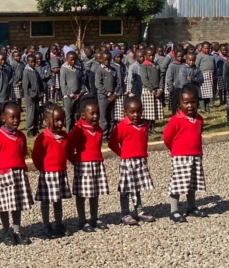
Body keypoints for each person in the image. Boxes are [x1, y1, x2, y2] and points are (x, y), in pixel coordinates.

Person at [0, 103, 33, 245]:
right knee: (5, 205)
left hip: (18, 173)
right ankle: (7, 232)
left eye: (18, 117)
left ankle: (17, 230)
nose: (15, 120)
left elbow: (22, 153)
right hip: (5, 174)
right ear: (3, 118)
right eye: (12, 117)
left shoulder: (21, 137)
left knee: (17, 204)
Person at [163, 85, 208, 223]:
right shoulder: (176, 120)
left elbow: (199, 133)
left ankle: (191, 206)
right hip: (180, 157)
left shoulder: (199, 119)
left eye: (193, 102)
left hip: (195, 156)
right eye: (186, 102)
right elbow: (166, 137)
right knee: (178, 183)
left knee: (192, 182)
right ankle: (174, 210)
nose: (190, 105)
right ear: (180, 103)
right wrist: (175, 150)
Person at [108, 97, 156, 226]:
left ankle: (139, 211)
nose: (136, 115)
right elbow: (112, 143)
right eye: (132, 112)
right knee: (125, 188)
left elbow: (144, 141)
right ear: (125, 112)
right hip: (127, 161)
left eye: (139, 111)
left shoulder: (144, 125)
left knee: (137, 186)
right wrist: (122, 154)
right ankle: (124, 213)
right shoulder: (121, 126)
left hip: (140, 160)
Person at [66, 97, 109, 233]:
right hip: (83, 165)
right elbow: (68, 148)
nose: (95, 116)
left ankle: (94, 217)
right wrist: (76, 161)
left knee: (94, 193)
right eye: (92, 113)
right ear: (83, 115)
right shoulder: (78, 130)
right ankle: (82, 219)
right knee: (82, 194)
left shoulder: (99, 130)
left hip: (96, 164)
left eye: (97, 113)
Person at [32, 103, 71, 239]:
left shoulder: (65, 137)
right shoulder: (43, 138)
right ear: (47, 121)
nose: (60, 123)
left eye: (62, 119)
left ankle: (59, 223)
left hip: (60, 173)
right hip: (48, 173)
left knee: (58, 200)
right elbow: (36, 156)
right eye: (57, 120)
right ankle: (46, 225)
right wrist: (42, 169)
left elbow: (67, 152)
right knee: (46, 200)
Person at [95, 51, 119, 139]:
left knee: (111, 116)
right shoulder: (99, 70)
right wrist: (108, 94)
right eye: (105, 60)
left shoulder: (113, 70)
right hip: (103, 97)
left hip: (112, 96)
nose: (107, 62)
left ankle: (111, 133)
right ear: (101, 59)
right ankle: (104, 135)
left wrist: (115, 93)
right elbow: (98, 84)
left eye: (109, 60)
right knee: (103, 116)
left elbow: (117, 82)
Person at [139, 48, 164, 134]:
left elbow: (161, 78)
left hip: (157, 89)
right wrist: (152, 90)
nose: (152, 57)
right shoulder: (144, 66)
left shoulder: (156, 65)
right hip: (148, 90)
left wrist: (160, 89)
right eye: (149, 55)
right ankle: (147, 128)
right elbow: (144, 80)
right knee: (147, 111)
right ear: (145, 56)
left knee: (155, 111)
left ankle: (152, 128)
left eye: (153, 55)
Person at [60, 51, 84, 131]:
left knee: (76, 114)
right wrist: (70, 94)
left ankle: (76, 130)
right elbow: (63, 84)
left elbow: (80, 81)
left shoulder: (77, 68)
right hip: (68, 96)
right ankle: (68, 131)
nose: (73, 61)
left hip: (77, 95)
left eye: (75, 60)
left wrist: (80, 93)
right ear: (67, 59)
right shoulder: (64, 69)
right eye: (71, 60)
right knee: (68, 115)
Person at [22, 54, 43, 137]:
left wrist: (41, 93)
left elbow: (39, 84)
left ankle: (35, 128)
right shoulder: (26, 72)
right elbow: (26, 87)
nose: (33, 63)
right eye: (31, 62)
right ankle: (30, 129)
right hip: (30, 97)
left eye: (35, 62)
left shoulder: (35, 72)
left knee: (36, 113)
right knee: (30, 113)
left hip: (37, 96)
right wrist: (34, 95)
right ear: (28, 62)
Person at [195, 41, 215, 112]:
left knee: (208, 93)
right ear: (202, 48)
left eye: (208, 48)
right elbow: (196, 66)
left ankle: (207, 108)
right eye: (205, 48)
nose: (207, 50)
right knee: (202, 93)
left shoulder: (211, 56)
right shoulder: (199, 56)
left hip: (210, 75)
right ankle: (203, 108)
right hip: (202, 75)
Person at [166, 49, 185, 115]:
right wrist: (171, 87)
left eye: (181, 56)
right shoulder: (172, 65)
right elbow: (169, 77)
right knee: (175, 104)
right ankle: (174, 115)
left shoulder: (185, 64)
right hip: (175, 88)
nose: (180, 58)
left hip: (184, 87)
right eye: (178, 56)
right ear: (175, 57)